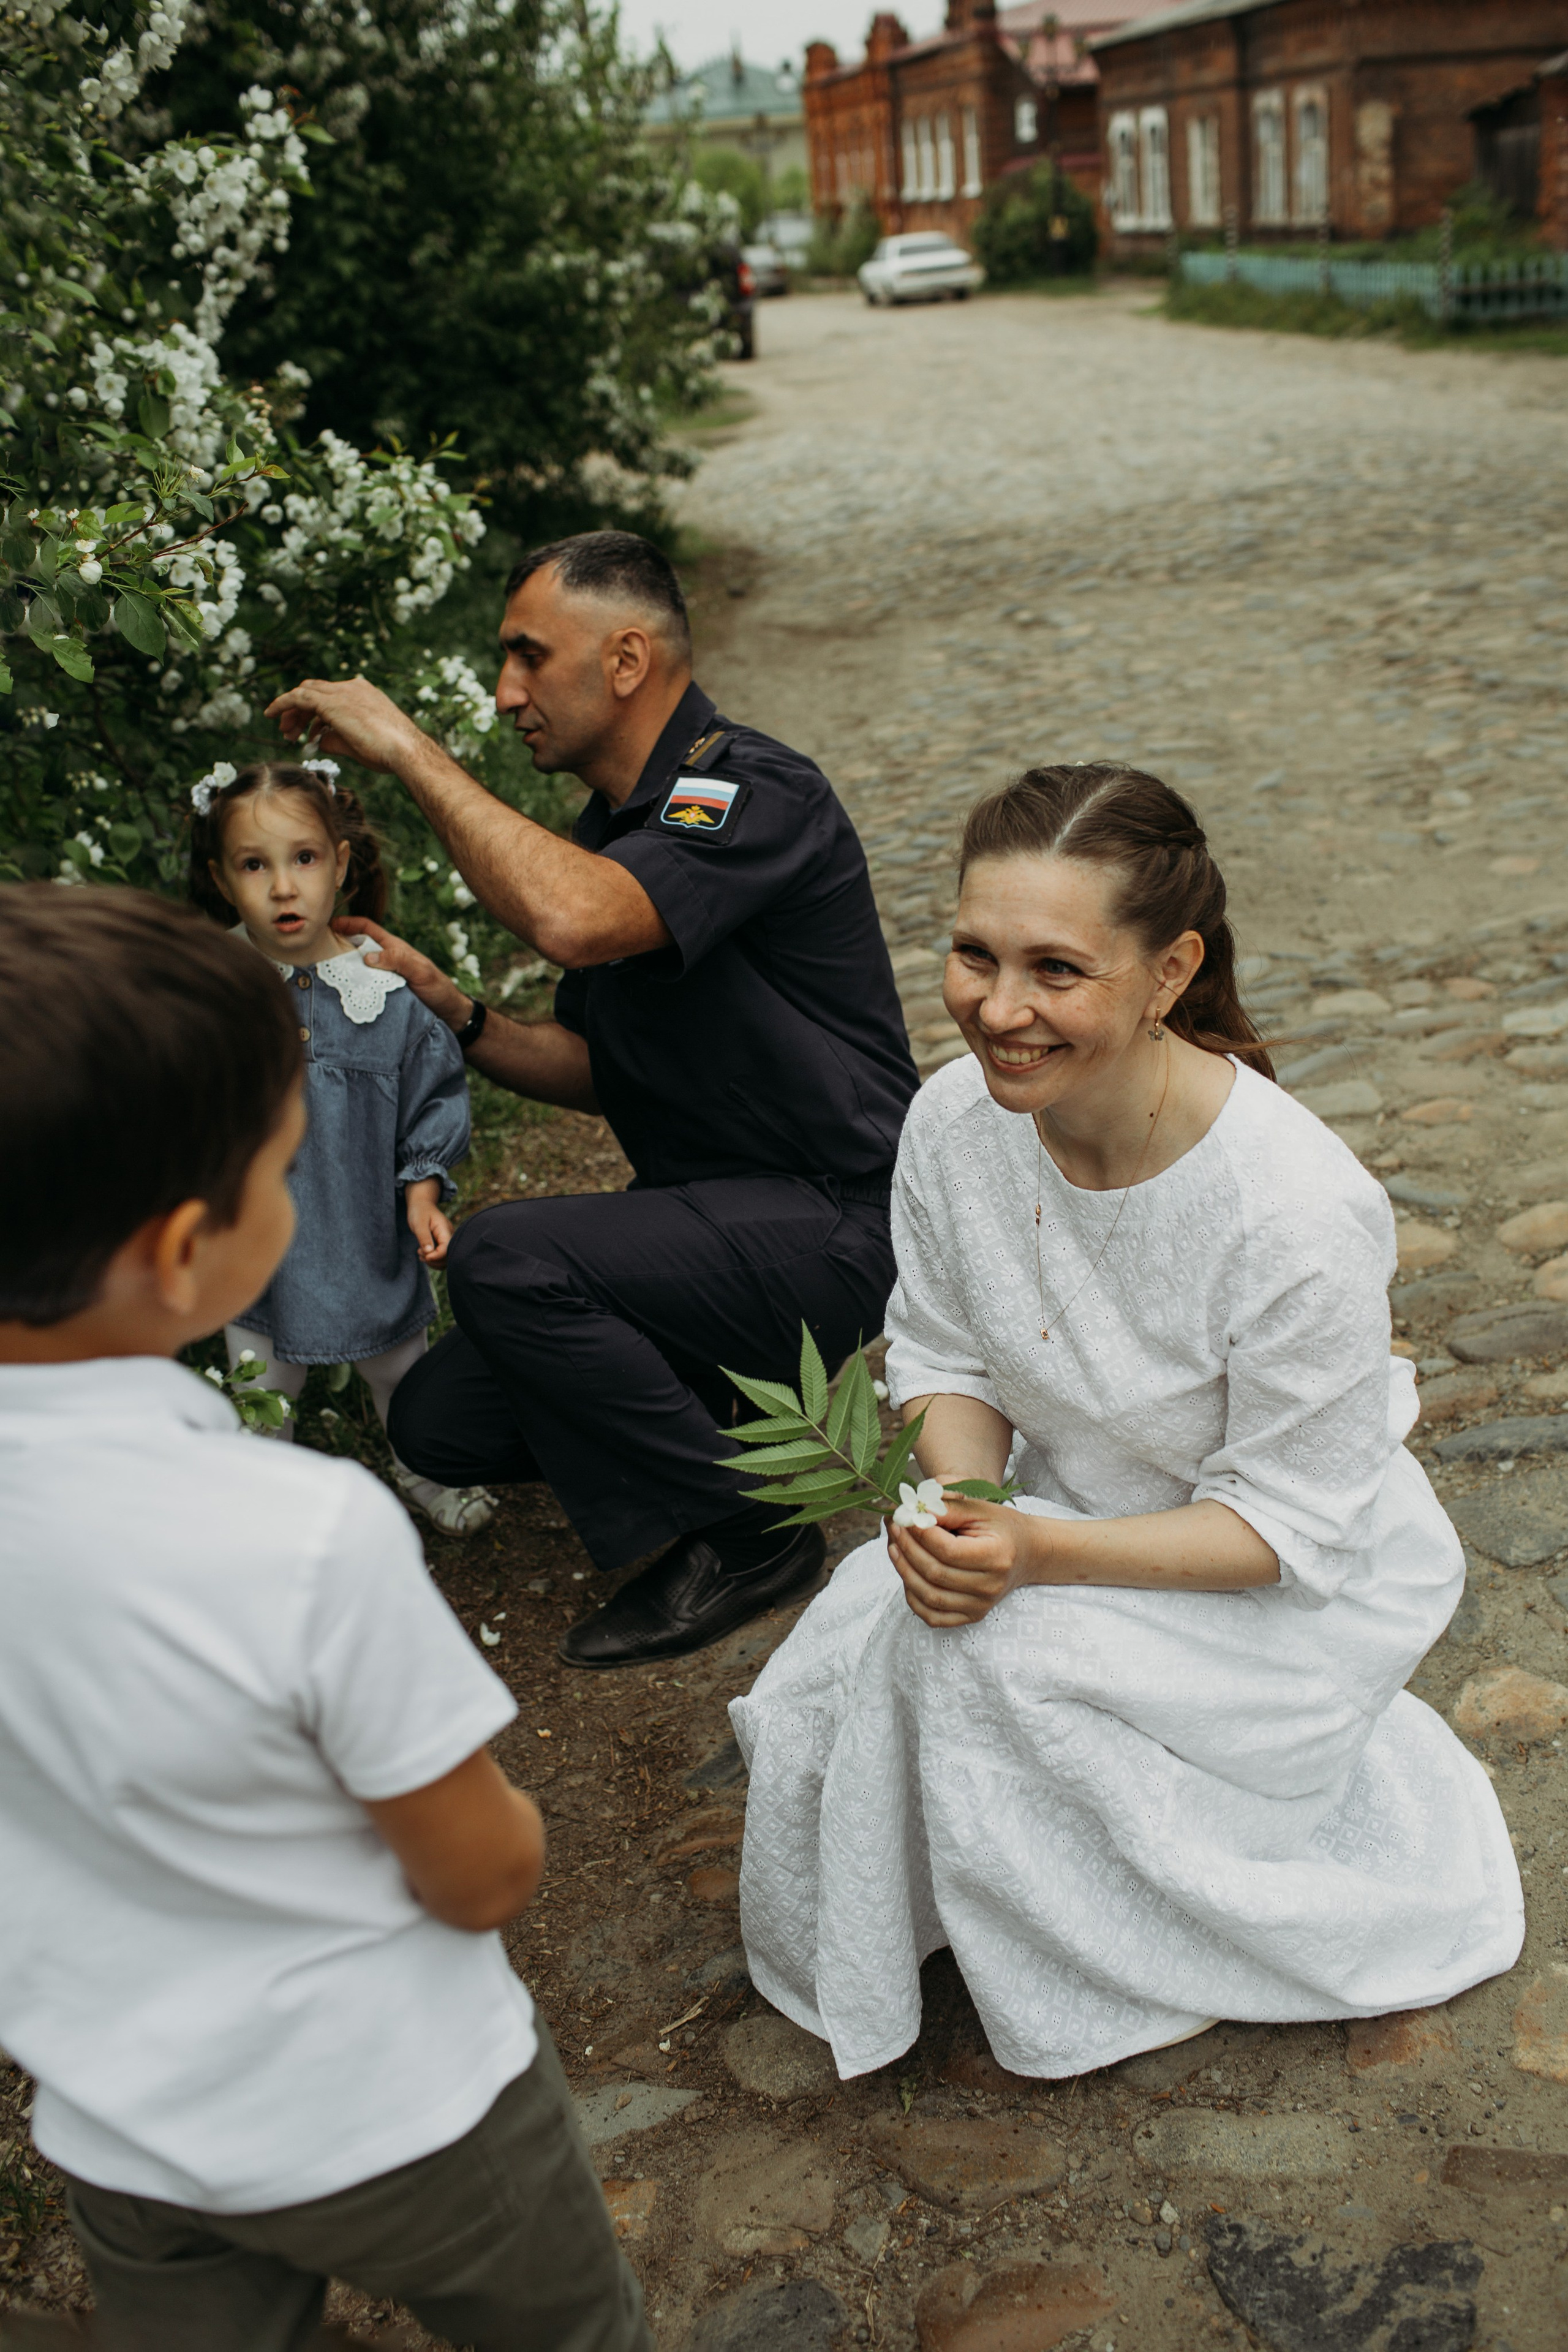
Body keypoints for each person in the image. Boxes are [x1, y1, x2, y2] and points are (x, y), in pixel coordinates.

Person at [729, 765, 1522, 2081]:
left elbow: (1286, 1526)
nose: (997, 1008)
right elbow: (937, 1349)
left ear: (1169, 972)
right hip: (1062, 1512)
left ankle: (1098, 1971)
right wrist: (970, 1502)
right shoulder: (949, 1121)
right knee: (888, 1636)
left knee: (963, 1658)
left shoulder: (1292, 1210)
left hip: (1276, 1593)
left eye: (1055, 970)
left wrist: (1029, 1552)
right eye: (972, 956)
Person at [0, 885, 652, 2352]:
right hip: (404, 2111)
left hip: (125, 2140)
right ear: (185, 1254)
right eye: (282, 1175)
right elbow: (481, 1872)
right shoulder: (295, 1533)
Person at [265, 530, 919, 1668]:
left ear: (625, 662)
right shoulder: (607, 836)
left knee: (507, 1259)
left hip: (839, 1220)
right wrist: (455, 1010)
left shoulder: (747, 789)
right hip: (714, 1234)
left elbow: (575, 918)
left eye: (528, 656)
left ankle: (754, 1529)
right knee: (439, 1421)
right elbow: (592, 1064)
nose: (507, 691)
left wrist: (410, 753)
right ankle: (741, 1433)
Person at [189, 753, 493, 1534]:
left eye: (304, 859)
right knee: (262, 1385)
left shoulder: (381, 994)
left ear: (341, 865)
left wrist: (423, 1189)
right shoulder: (211, 989)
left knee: (401, 1373)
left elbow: (431, 1099)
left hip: (361, 1229)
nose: (283, 887)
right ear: (223, 881)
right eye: (254, 865)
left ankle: (422, 1470)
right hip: (259, 1244)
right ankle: (272, 1506)